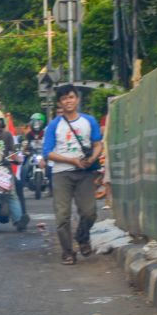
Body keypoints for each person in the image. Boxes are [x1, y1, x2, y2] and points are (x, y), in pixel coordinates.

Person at [43, 84, 103, 264]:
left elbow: (98, 143)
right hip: (62, 174)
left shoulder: (89, 121)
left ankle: (82, 237)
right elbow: (48, 153)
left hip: (84, 173)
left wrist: (92, 158)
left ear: (76, 99)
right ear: (60, 103)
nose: (68, 101)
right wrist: (71, 161)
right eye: (64, 99)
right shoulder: (54, 125)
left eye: (71, 97)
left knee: (90, 212)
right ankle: (68, 252)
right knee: (62, 216)